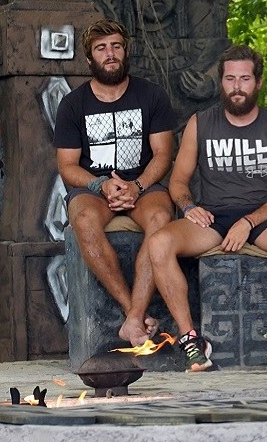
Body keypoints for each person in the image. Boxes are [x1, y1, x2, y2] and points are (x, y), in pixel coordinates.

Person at [146, 45, 267, 371]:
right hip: (213, 217)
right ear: (221, 82)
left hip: (264, 218)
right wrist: (188, 206)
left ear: (258, 82)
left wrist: (249, 221)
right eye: (230, 79)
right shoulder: (200, 123)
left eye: (245, 79)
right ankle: (191, 342)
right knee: (159, 243)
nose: (237, 87)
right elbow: (178, 181)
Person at [53, 18, 176, 347]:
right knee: (83, 219)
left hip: (144, 186)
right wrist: (102, 185)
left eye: (116, 46)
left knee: (160, 218)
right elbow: (67, 166)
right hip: (94, 189)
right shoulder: (73, 105)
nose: (110, 54)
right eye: (101, 48)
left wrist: (137, 186)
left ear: (126, 51)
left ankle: (133, 318)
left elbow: (163, 154)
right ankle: (132, 312)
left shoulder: (152, 95)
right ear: (89, 58)